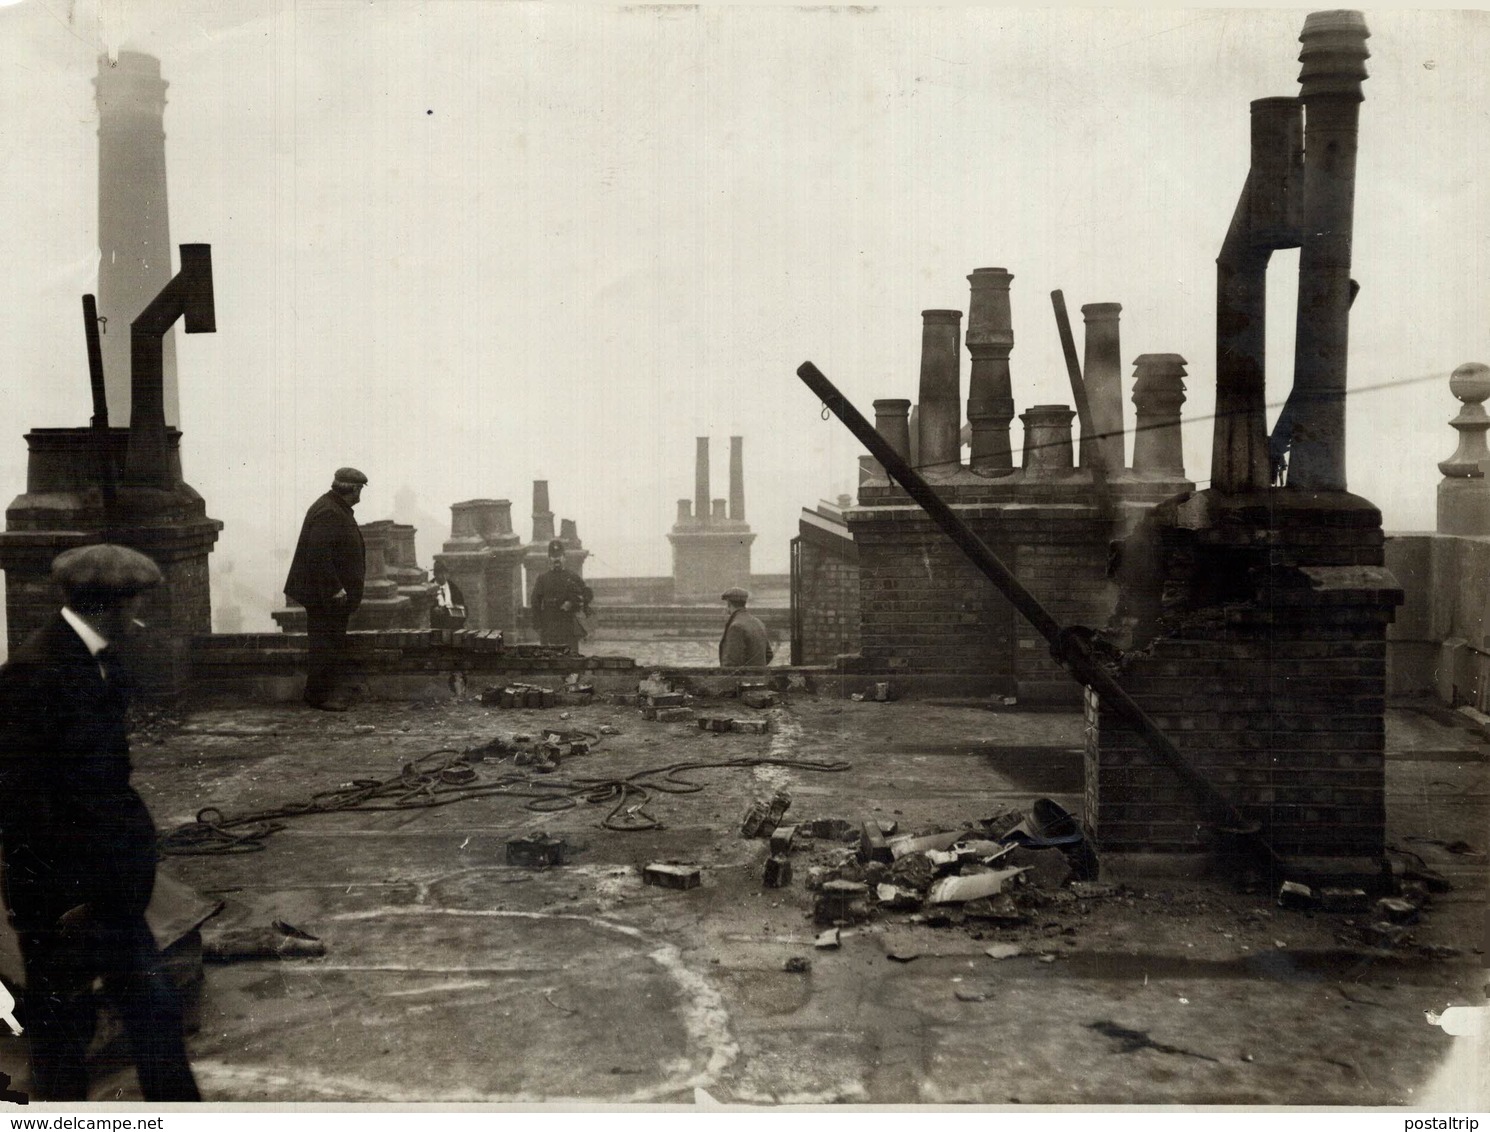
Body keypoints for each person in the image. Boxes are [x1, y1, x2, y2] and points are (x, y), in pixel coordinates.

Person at [0, 544, 200, 1101]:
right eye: (135, 602)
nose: (138, 615)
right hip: (64, 899)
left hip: (106, 888)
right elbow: (21, 803)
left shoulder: (95, 660)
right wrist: (67, 903)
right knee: (65, 1036)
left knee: (153, 1014)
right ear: (112, 605)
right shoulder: (34, 674)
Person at [283, 467, 368, 711]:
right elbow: (318, 553)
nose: (361, 493)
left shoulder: (333, 507)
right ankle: (318, 696)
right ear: (351, 489)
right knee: (324, 644)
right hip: (326, 596)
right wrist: (335, 589)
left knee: (330, 642)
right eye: (360, 489)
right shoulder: (329, 512)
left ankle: (324, 692)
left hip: (328, 596)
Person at [529, 539, 593, 652]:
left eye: (559, 556)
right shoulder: (542, 579)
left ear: (564, 557)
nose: (556, 559)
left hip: (567, 624)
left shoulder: (572, 576)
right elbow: (535, 602)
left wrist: (573, 603)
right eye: (553, 556)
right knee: (549, 659)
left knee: (571, 660)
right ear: (549, 558)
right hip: (549, 624)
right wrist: (537, 625)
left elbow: (587, 593)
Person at [719, 587, 773, 669]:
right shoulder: (758, 622)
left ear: (729, 604)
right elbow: (769, 655)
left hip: (743, 679)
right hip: (759, 678)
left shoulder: (736, 626)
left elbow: (731, 663)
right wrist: (756, 668)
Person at [429, 560, 466, 634]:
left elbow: (463, 607)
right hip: (437, 629)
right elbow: (427, 612)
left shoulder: (453, 588)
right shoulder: (429, 588)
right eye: (440, 573)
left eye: (445, 573)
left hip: (453, 628)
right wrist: (434, 611)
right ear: (435, 574)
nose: (443, 576)